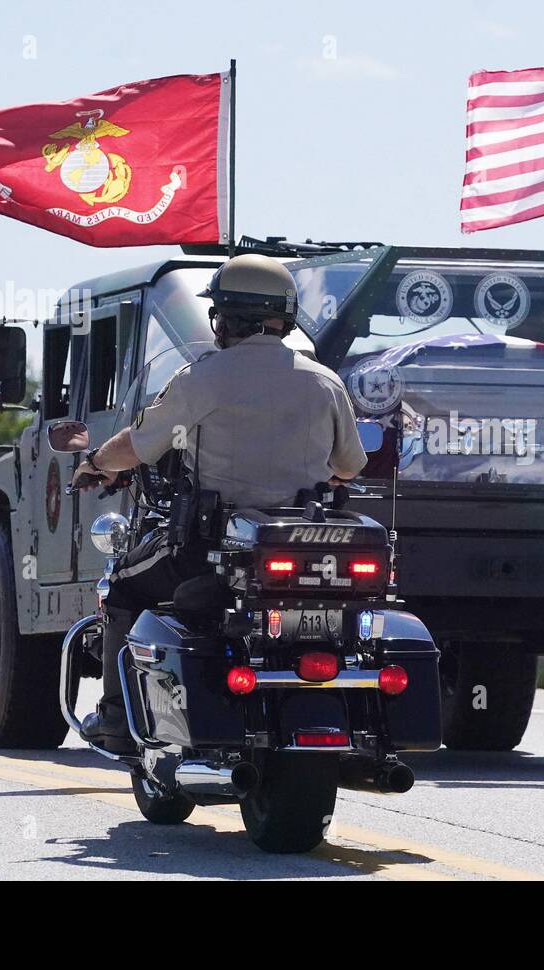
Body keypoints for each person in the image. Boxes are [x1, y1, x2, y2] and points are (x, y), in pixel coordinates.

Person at [70, 253, 369, 752]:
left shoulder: (203, 378)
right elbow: (349, 466)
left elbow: (140, 446)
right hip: (305, 547)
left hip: (212, 546)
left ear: (223, 318)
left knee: (123, 586)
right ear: (284, 316)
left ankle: (119, 717)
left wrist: (98, 462)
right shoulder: (325, 381)